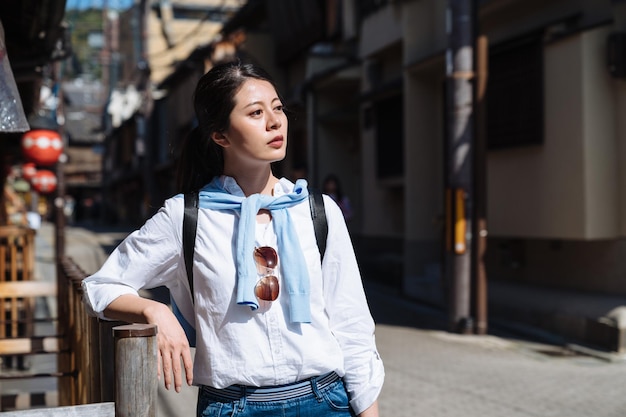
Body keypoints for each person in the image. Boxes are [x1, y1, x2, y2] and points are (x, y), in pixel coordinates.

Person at [81, 60, 384, 417]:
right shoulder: (185, 217)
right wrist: (154, 310)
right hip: (233, 407)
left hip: (325, 401)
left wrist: (368, 410)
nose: (275, 122)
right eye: (255, 113)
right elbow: (100, 286)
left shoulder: (319, 211)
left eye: (277, 108)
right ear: (220, 135)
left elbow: (353, 324)